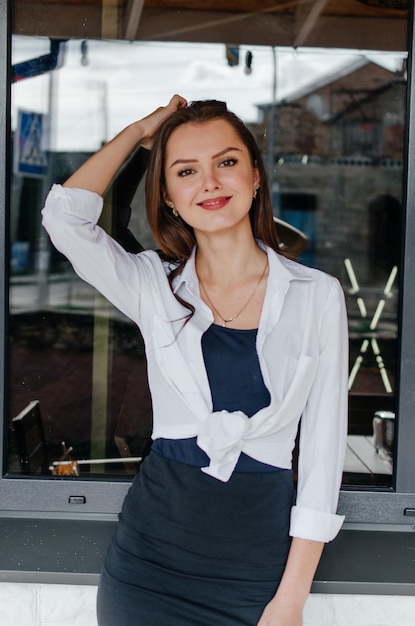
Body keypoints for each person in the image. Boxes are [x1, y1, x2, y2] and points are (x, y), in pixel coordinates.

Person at [41, 95, 348, 626]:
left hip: (256, 571)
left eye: (226, 162)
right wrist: (141, 130)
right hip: (148, 567)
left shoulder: (316, 294)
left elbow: (322, 455)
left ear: (255, 177)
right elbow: (66, 218)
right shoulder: (151, 286)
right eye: (186, 170)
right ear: (168, 198)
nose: (209, 182)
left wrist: (291, 599)